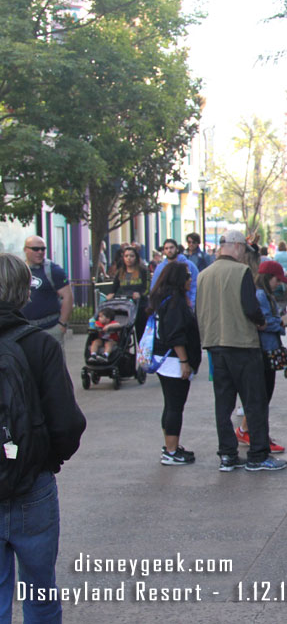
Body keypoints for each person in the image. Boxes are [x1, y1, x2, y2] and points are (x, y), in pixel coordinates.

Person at [0, 252, 86, 623]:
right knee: (39, 590)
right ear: (24, 293)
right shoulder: (41, 346)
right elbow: (66, 424)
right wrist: (46, 461)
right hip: (30, 483)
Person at [196, 229, 287, 472]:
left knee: (223, 403)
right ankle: (258, 455)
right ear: (236, 246)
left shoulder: (203, 274)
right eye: (243, 250)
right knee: (254, 401)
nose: (244, 255)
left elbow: (199, 309)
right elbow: (250, 307)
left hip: (215, 344)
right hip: (242, 344)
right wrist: (261, 322)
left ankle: (227, 455)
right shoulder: (241, 272)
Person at [237, 260, 287, 455]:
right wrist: (281, 321)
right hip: (264, 350)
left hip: (265, 349)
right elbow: (262, 322)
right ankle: (259, 438)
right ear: (268, 278)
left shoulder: (262, 294)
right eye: (277, 280)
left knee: (261, 397)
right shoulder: (261, 295)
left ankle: (248, 431)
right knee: (262, 397)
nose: (279, 284)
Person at [149, 261, 202, 466]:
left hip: (164, 360)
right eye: (187, 276)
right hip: (173, 361)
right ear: (179, 279)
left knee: (170, 405)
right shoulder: (176, 302)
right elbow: (176, 334)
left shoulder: (162, 298)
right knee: (174, 408)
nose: (190, 280)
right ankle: (171, 451)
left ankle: (170, 446)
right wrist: (185, 361)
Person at [22, 235, 72, 350]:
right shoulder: (20, 269)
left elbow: (67, 296)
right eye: (35, 249)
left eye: (43, 249)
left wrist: (62, 324)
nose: (40, 252)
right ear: (25, 249)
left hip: (50, 328)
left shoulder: (54, 270)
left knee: (53, 365)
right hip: (25, 329)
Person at [110, 244, 150, 340]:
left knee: (141, 333)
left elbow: (148, 288)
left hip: (140, 306)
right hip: (125, 306)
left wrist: (140, 294)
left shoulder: (143, 271)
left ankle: (141, 353)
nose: (129, 258)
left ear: (136, 257)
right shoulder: (120, 272)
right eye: (126, 256)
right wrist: (111, 294)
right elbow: (114, 287)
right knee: (123, 333)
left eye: (131, 256)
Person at [151, 238, 200, 307]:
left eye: (171, 247)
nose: (169, 250)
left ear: (177, 249)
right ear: (164, 251)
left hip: (186, 304)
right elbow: (155, 287)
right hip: (166, 306)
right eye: (166, 248)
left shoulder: (189, 265)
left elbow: (195, 284)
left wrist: (192, 302)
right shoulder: (160, 268)